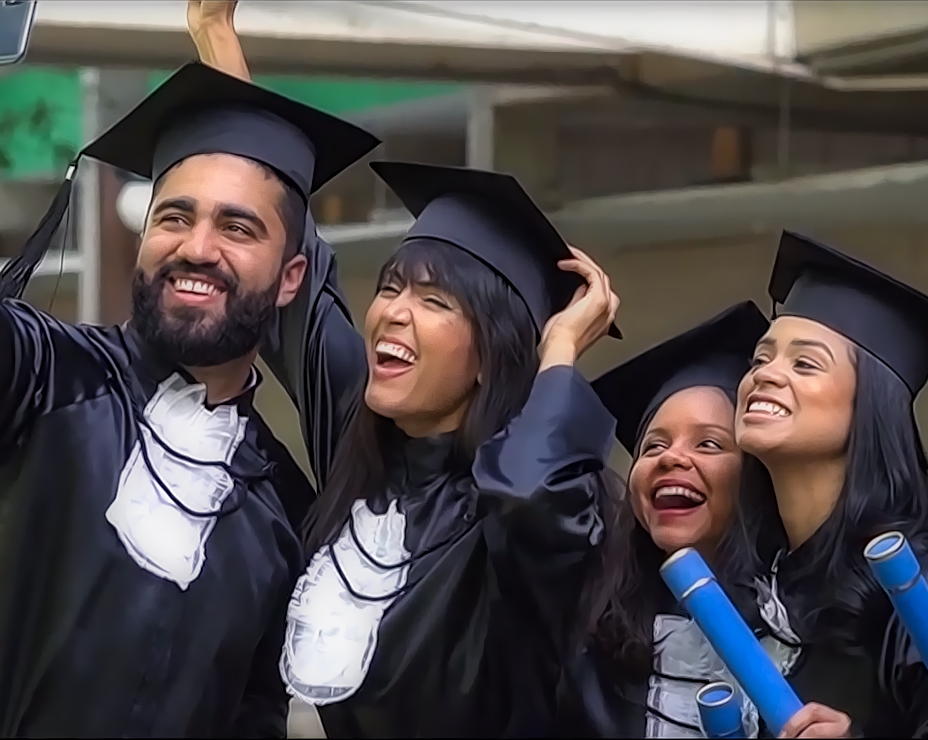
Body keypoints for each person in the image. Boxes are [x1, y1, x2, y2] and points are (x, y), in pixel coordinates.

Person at [0, 63, 379, 736]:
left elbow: (256, 714)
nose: (196, 248)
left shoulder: (284, 512)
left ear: (292, 278)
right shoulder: (43, 374)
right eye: (175, 217)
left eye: (237, 229)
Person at [275, 160, 621, 737]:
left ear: (491, 357)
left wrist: (557, 350)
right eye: (391, 287)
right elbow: (299, 294)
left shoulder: (517, 535)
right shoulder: (359, 457)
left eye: (435, 301)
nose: (394, 312)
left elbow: (530, 494)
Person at [719, 231, 928, 738]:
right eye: (760, 359)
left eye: (804, 363)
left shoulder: (913, 577)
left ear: (868, 408)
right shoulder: (754, 579)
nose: (765, 375)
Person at [557, 301, 793, 738]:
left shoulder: (802, 622)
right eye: (652, 447)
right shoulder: (592, 617)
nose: (672, 458)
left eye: (708, 444)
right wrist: (560, 346)